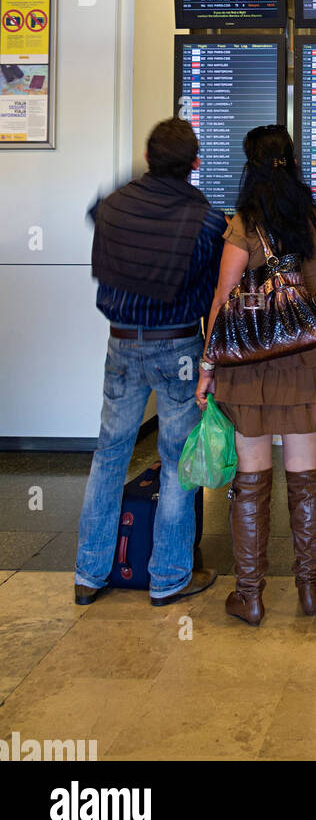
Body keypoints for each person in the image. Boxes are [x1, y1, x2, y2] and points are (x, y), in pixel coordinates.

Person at [75, 118, 225, 607]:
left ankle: (89, 574)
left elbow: (101, 217)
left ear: (147, 158)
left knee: (109, 453)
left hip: (121, 344)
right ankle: (167, 577)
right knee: (178, 461)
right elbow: (210, 290)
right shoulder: (205, 220)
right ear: (195, 165)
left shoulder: (114, 205)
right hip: (178, 346)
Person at [196, 125, 316, 627]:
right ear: (292, 162)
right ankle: (310, 589)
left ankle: (250, 596)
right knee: (308, 479)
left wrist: (207, 368)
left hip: (248, 368)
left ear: (249, 165)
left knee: (251, 481)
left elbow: (221, 300)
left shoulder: (244, 225)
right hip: (306, 365)